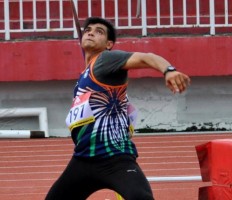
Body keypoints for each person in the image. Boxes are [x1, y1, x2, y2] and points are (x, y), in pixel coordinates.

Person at [45, 17, 191, 200]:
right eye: (88, 30)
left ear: (109, 44)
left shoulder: (106, 59)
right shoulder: (85, 74)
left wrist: (169, 70)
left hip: (114, 159)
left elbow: (147, 58)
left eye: (99, 31)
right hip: (83, 159)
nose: (90, 32)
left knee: (140, 198)